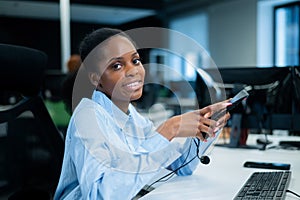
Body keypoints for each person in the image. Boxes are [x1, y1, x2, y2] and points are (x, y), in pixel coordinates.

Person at [54, 27, 231, 200]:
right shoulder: (88, 117)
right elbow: (100, 195)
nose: (133, 71)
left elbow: (180, 166)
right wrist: (170, 128)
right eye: (116, 66)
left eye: (136, 60)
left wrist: (206, 126)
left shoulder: (132, 116)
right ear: (96, 79)